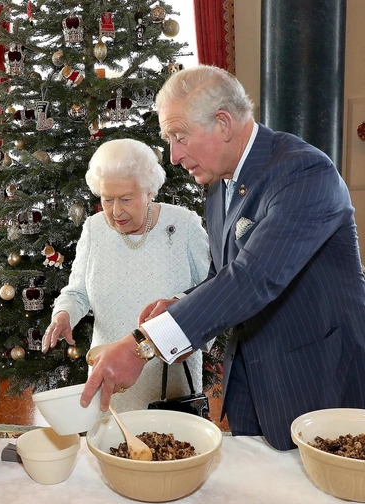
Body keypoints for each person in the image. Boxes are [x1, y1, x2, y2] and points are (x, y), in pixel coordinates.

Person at [80, 65, 365, 451]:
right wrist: (182, 303)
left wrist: (141, 345)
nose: (174, 155)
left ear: (223, 123)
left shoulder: (303, 172)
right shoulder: (218, 185)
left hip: (315, 378)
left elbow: (252, 278)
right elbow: (223, 273)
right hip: (252, 382)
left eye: (179, 137)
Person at [42, 139, 210, 412]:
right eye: (107, 200)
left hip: (170, 380)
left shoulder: (184, 224)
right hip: (109, 376)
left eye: (126, 199)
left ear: (149, 191)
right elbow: (77, 292)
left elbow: (211, 294)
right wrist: (64, 315)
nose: (116, 211)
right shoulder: (95, 229)